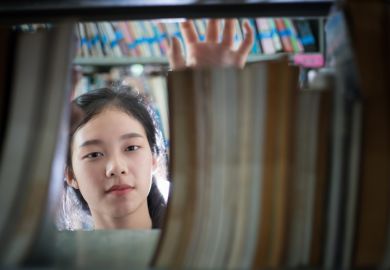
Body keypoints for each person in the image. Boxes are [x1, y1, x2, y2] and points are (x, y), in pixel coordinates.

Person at [57, 19, 254, 230]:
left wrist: (215, 102)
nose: (116, 168)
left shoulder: (196, 247)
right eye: (94, 154)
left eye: (132, 148)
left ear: (153, 159)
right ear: (70, 174)